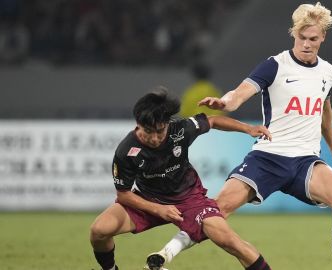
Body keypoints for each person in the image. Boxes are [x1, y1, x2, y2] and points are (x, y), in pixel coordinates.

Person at [152, 2, 332, 270]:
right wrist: (224, 104)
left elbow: (324, 110)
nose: (307, 44)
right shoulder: (274, 65)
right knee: (218, 209)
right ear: (294, 35)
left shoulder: (327, 71)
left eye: (313, 39)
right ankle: (164, 255)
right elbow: (239, 94)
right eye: (302, 38)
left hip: (305, 161)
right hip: (268, 155)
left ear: (323, 38)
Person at [89, 87, 273, 270]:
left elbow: (214, 121)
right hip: (148, 200)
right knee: (99, 231)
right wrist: (159, 209)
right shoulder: (126, 150)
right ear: (138, 123)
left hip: (190, 199)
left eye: (160, 131)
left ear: (167, 123)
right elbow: (123, 195)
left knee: (229, 241)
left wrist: (248, 129)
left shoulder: (181, 130)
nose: (154, 138)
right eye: (148, 132)